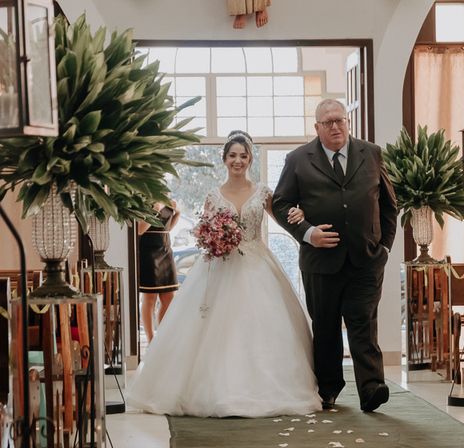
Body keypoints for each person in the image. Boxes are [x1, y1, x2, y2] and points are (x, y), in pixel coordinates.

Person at [127, 131, 321, 417]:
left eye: (243, 156)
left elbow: (281, 218)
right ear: (224, 159)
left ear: (250, 159)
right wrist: (211, 239)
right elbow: (204, 229)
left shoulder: (263, 193)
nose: (238, 160)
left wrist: (300, 220)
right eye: (233, 156)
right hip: (220, 265)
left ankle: (263, 388)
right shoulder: (213, 195)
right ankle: (213, 388)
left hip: (257, 262)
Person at [272, 99, 397, 413]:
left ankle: (371, 388)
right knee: (326, 327)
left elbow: (389, 204)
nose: (335, 126)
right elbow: (281, 204)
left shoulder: (371, 153)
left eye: (339, 120)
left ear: (348, 122)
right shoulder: (298, 160)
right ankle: (329, 389)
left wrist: (384, 248)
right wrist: (308, 233)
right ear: (316, 128)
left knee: (363, 322)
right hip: (320, 263)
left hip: (366, 259)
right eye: (327, 122)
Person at [138, 200, 180, 342]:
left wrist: (177, 212)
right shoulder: (144, 203)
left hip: (165, 249)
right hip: (149, 251)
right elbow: (140, 229)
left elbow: (167, 227)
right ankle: (151, 340)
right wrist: (155, 210)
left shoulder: (168, 200)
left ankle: (162, 338)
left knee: (169, 298)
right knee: (150, 298)